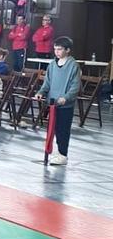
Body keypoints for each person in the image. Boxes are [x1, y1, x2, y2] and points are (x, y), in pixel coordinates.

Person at [35, 36, 82, 166]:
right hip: (52, 103)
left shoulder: (73, 65)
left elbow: (75, 86)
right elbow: (47, 83)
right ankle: (57, 152)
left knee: (63, 130)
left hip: (65, 105)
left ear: (68, 50)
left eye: (60, 49)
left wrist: (65, 98)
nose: (56, 52)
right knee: (53, 129)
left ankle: (63, 154)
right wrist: (40, 92)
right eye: (55, 49)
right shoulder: (52, 65)